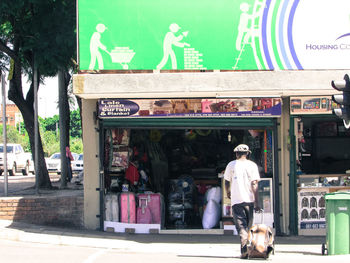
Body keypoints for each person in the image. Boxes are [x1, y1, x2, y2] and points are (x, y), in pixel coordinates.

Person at [224, 144, 260, 259]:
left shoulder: (231, 165)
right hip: (249, 201)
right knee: (247, 226)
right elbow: (254, 184)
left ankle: (244, 248)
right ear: (248, 153)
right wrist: (257, 202)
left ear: (236, 154)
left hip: (237, 201)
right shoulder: (252, 165)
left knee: (241, 227)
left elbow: (226, 180)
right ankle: (246, 247)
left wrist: (228, 192)